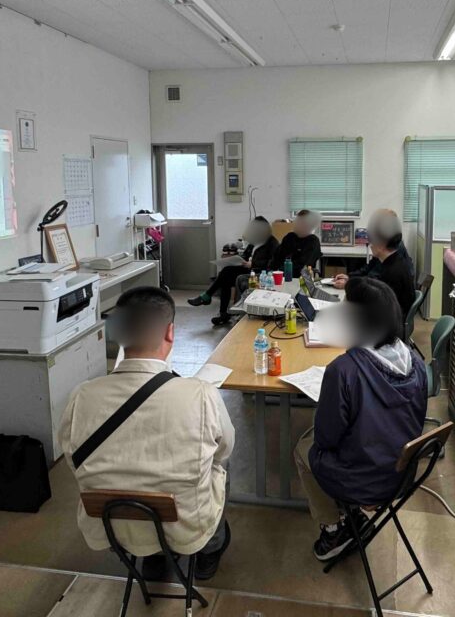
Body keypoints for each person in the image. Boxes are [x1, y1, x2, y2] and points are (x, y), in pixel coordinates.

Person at [59, 287, 234, 581]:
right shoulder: (201, 395)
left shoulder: (81, 396)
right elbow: (225, 449)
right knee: (221, 463)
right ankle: (210, 548)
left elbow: (73, 461)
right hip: (186, 529)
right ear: (170, 333)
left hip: (108, 528)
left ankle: (152, 554)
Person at [293, 277, 428, 561]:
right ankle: (349, 512)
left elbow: (326, 439)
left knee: (304, 449)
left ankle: (334, 529)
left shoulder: (344, 370)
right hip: (402, 474)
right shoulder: (416, 363)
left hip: (364, 480)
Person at [188, 216, 278, 327]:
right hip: (248, 270)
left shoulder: (273, 244)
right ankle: (222, 313)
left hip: (260, 273)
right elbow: (246, 255)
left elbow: (273, 264)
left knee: (225, 274)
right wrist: (240, 260)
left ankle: (208, 298)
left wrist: (253, 264)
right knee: (225, 275)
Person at [332, 209, 416, 324]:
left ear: (381, 243)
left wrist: (350, 286)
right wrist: (350, 279)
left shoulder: (392, 272)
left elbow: (376, 302)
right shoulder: (390, 259)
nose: (370, 246)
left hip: (387, 325)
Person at [272, 209, 322, 275]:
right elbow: (277, 258)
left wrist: (280, 271)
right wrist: (272, 271)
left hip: (300, 277)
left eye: (302, 223)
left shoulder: (313, 241)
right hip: (281, 275)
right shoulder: (289, 237)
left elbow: (303, 265)